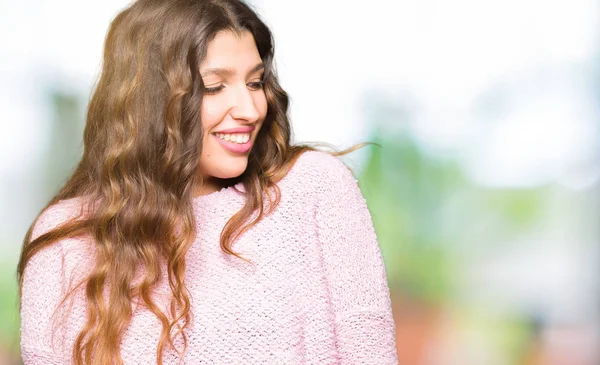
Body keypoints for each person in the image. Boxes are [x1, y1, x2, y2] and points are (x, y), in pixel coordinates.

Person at [17, 0, 398, 364]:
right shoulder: (66, 237)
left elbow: (371, 350)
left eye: (255, 82)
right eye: (215, 87)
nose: (250, 110)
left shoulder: (314, 189)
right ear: (150, 101)